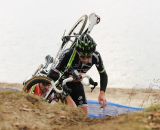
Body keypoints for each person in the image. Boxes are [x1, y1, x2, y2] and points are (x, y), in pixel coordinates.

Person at [47, 34, 108, 114]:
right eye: (82, 57)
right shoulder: (68, 54)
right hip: (62, 85)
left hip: (76, 84)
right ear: (77, 52)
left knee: (84, 115)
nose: (86, 60)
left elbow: (103, 74)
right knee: (74, 111)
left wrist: (102, 93)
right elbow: (51, 75)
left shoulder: (96, 56)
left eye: (88, 57)